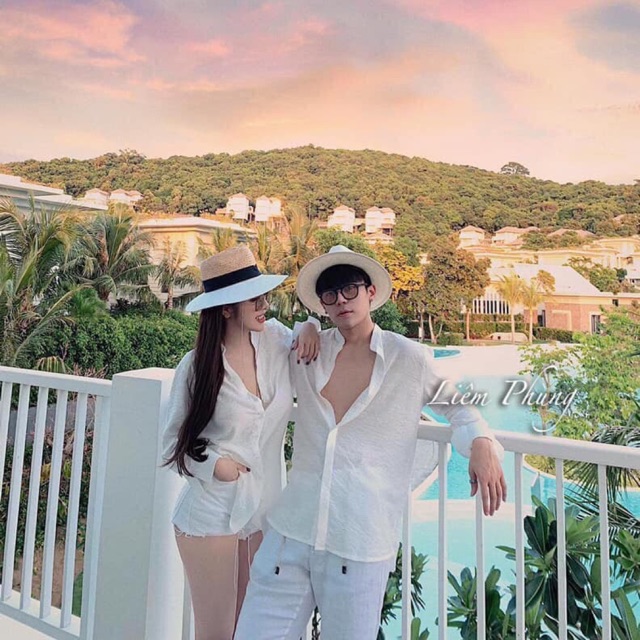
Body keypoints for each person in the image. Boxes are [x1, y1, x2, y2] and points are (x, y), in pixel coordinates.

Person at [235, 245, 507, 640]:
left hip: (359, 543)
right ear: (322, 305)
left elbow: (461, 409)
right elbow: (257, 334)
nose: (342, 301)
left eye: (350, 289)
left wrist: (481, 442)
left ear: (371, 292)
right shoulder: (309, 352)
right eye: (330, 295)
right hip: (290, 533)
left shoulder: (408, 358)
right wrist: (303, 326)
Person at [162, 245, 320, 640]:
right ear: (227, 309)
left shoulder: (276, 341)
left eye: (264, 296)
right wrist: (216, 465)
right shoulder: (197, 367)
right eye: (254, 299)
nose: (265, 305)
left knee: (248, 629)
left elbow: (312, 335)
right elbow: (171, 444)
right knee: (217, 632)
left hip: (262, 513)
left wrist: (311, 325)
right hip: (212, 513)